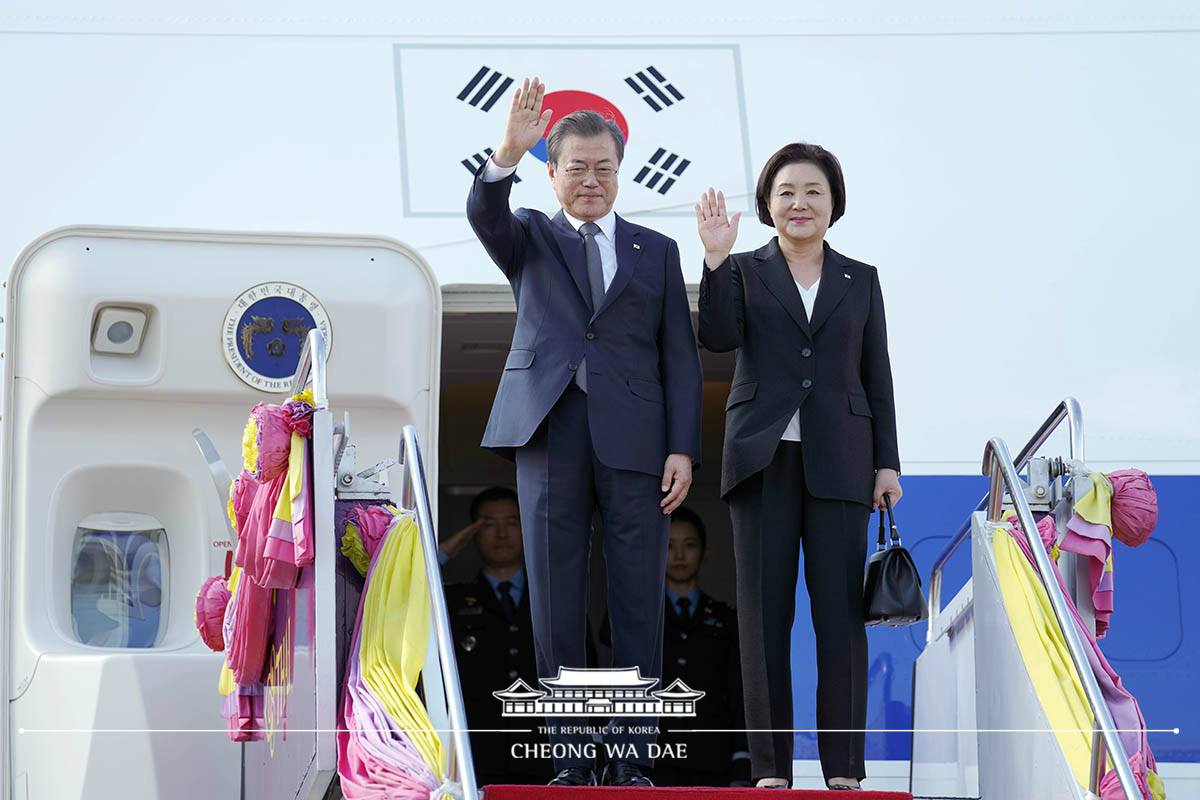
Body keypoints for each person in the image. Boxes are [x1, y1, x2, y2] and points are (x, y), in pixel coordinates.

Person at [465, 77, 704, 787]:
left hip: (637, 444)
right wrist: (504, 151)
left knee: (637, 601)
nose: (591, 180)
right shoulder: (530, 235)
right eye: (577, 168)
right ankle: (571, 757)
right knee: (556, 602)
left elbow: (680, 360)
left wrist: (683, 447)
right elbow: (485, 210)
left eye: (604, 167)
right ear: (552, 173)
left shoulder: (654, 250)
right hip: (549, 432)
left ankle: (631, 758)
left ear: (620, 171)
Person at [695, 143, 902, 790]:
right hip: (761, 461)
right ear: (767, 206)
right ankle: (770, 771)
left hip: (843, 462)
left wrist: (886, 464)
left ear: (833, 204)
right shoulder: (745, 270)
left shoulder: (860, 278)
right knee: (763, 624)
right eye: (785, 192)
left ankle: (843, 771)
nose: (799, 203)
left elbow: (877, 376)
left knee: (840, 618)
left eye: (813, 191)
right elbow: (719, 336)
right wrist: (715, 258)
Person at [439, 487, 552, 787]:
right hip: (475, 753)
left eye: (512, 522)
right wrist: (441, 553)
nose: (501, 534)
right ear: (472, 533)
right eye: (488, 524)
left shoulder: (554, 598)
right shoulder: (450, 598)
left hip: (543, 753)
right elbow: (403, 598)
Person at [652, 507, 751, 787]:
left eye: (689, 545)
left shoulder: (726, 619)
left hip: (712, 760)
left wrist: (742, 763)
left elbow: (737, 694)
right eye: (669, 545)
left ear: (704, 552)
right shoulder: (641, 618)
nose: (680, 555)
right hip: (654, 758)